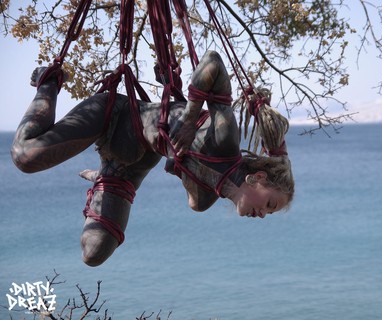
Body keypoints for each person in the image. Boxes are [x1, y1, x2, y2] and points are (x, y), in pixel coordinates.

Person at [11, 51, 294, 267]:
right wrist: (190, 117)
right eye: (270, 204)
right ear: (258, 178)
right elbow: (213, 61)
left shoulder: (205, 199)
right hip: (119, 116)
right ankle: (49, 81)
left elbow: (189, 183)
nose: (263, 215)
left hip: (132, 161)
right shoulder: (224, 140)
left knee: (94, 252)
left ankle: (101, 178)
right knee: (25, 157)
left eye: (269, 212)